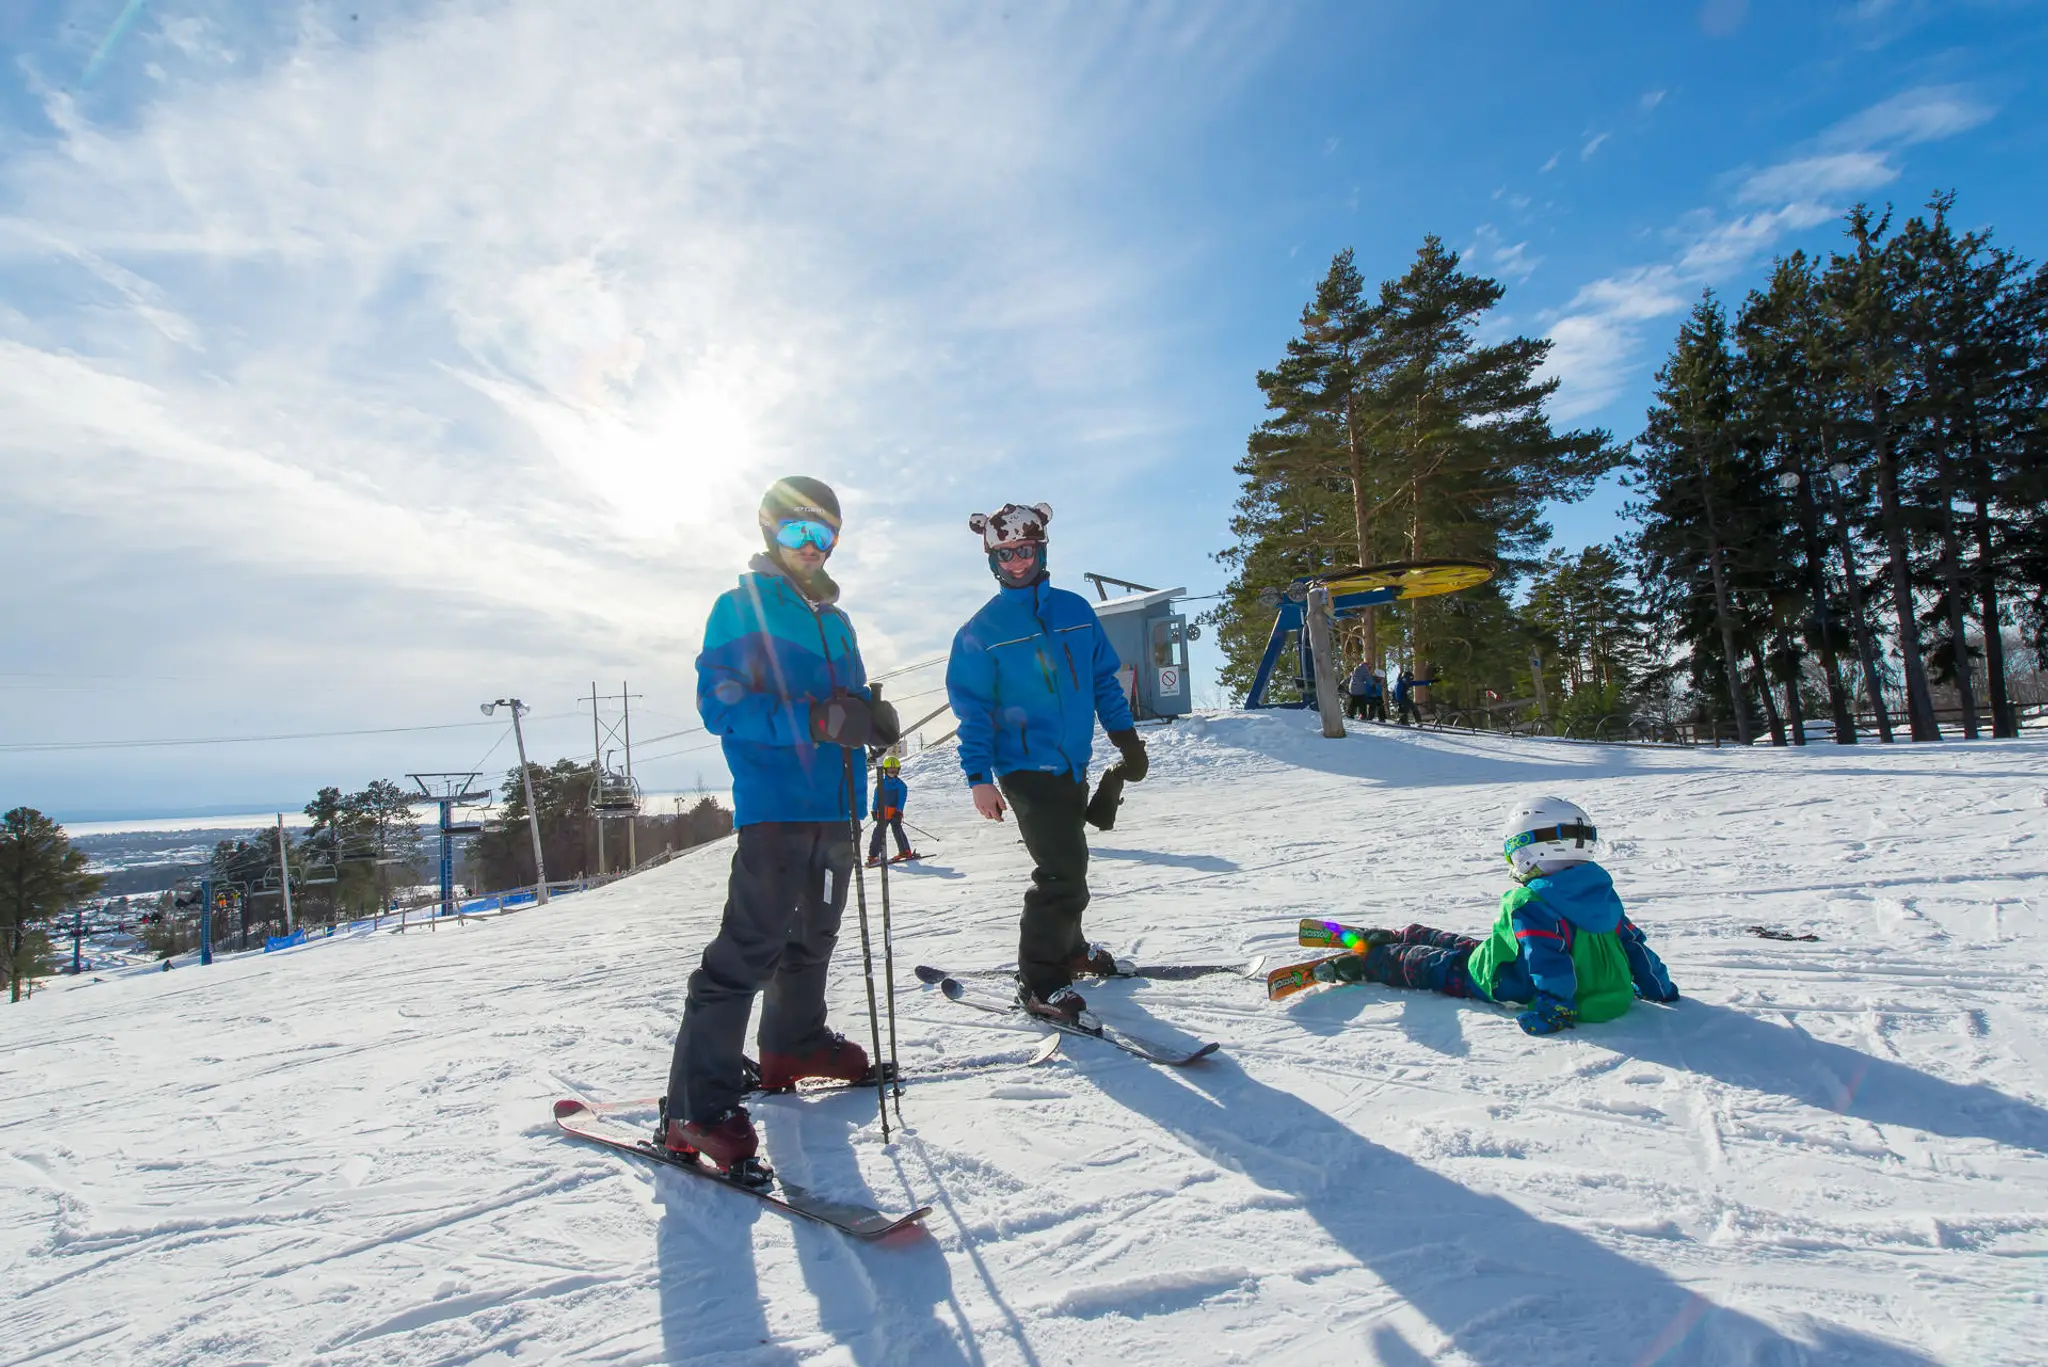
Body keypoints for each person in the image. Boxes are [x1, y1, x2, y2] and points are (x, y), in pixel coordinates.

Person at [659, 476, 902, 1175]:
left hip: (837, 803)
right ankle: (694, 1108)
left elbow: (845, 708)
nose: (810, 545)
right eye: (797, 530)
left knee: (814, 936)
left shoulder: (837, 620)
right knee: (749, 948)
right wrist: (814, 720)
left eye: (823, 533)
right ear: (770, 532)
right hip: (775, 802)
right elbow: (721, 703)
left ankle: (793, 1042)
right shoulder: (739, 608)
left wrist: (869, 720)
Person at [945, 501, 1147, 1025]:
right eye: (1006, 554)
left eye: (1025, 550)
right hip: (1022, 768)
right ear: (992, 559)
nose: (1017, 561)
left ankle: (1070, 949)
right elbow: (973, 711)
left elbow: (1103, 680)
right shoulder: (981, 630)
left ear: (1041, 550)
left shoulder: (1075, 611)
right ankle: (1039, 980)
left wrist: (1126, 740)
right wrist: (978, 777)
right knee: (1060, 873)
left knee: (1072, 862)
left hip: (1071, 764)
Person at [1312, 795, 1678, 1034]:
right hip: (1521, 963)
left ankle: (1374, 959)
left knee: (1436, 967)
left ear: (1526, 850)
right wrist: (1659, 989)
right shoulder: (1600, 891)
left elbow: (1548, 961)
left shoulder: (1531, 902)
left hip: (1503, 980)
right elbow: (1635, 946)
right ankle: (1403, 935)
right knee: (1472, 948)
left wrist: (1556, 1009)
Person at [866, 754, 915, 866]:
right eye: (890, 770)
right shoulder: (881, 783)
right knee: (878, 833)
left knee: (897, 830)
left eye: (894, 770)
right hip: (882, 813)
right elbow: (876, 797)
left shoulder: (901, 785)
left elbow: (901, 800)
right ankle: (873, 856)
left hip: (894, 813)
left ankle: (905, 851)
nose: (892, 772)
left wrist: (898, 812)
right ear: (885, 770)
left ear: (898, 770)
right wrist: (874, 810)